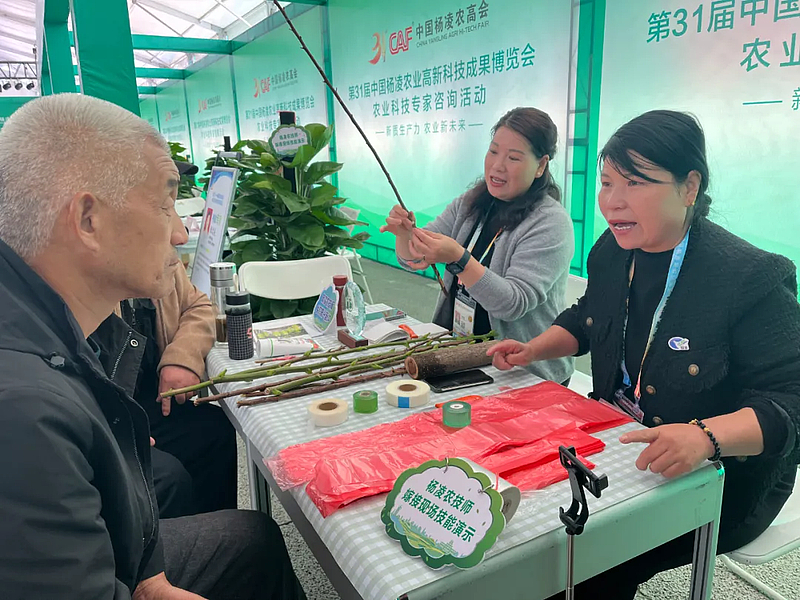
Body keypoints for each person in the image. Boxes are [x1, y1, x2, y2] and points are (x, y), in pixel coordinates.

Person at [0, 93, 305, 600]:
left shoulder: (46, 320)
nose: (182, 232)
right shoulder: (24, 410)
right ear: (88, 221)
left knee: (252, 539)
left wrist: (148, 576)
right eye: (165, 205)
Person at [489, 109, 800, 599]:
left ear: (689, 187)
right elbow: (589, 315)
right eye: (607, 183)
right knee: (529, 524)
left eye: (635, 183)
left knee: (592, 560)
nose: (613, 201)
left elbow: (790, 400)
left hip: (720, 477)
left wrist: (706, 437)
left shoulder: (749, 278)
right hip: (619, 436)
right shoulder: (613, 251)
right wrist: (534, 348)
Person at [381, 107, 575, 384]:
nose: (497, 166)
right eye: (493, 151)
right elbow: (414, 258)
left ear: (541, 166)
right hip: (460, 353)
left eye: (513, 158)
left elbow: (512, 304)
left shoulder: (550, 222)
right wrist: (405, 235)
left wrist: (459, 259)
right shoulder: (471, 203)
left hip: (522, 371)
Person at [103, 257, 238, 518]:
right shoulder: (83, 273)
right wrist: (114, 431)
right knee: (167, 479)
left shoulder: (160, 252)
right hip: (104, 415)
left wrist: (182, 358)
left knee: (214, 430)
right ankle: (175, 541)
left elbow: (198, 306)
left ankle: (218, 534)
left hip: (146, 401)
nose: (181, 237)